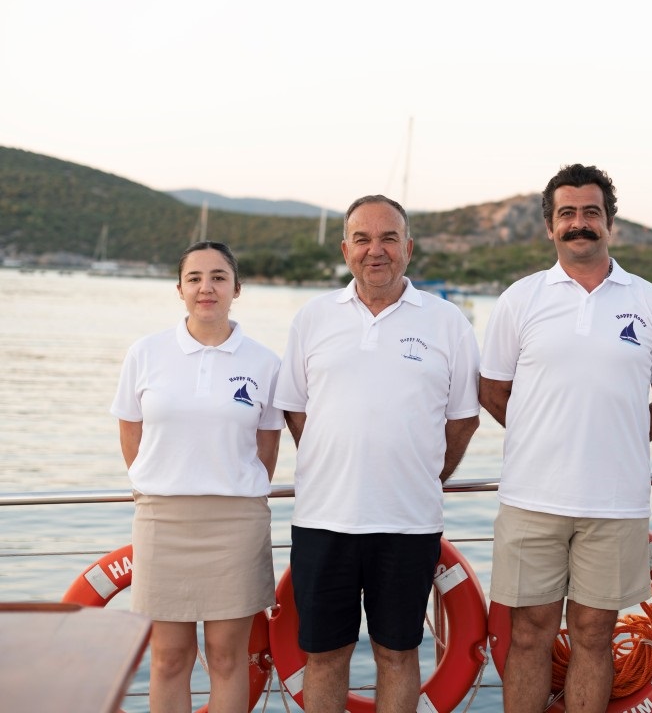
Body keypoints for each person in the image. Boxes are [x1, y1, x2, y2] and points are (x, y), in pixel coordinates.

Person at [478, 164, 652, 713]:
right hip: (531, 499)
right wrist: (546, 435)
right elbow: (493, 390)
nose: (579, 223)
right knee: (529, 635)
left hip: (614, 504)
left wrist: (613, 442)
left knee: (595, 636)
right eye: (567, 214)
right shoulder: (519, 300)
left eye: (591, 212)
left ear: (609, 223)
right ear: (550, 226)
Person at [273, 195, 480, 713]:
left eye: (389, 238)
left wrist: (424, 475)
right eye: (362, 239)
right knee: (324, 656)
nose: (376, 250)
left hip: (408, 522)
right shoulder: (312, 318)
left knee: (397, 654)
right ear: (345, 250)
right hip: (323, 519)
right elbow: (295, 409)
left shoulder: (447, 322)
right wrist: (334, 461)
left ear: (408, 247)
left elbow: (463, 418)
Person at [111, 240, 283, 713]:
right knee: (168, 658)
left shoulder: (265, 363)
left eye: (218, 277)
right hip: (163, 521)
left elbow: (267, 447)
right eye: (194, 278)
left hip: (236, 523)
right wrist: (156, 482)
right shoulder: (146, 353)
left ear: (236, 289)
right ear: (180, 289)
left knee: (227, 658)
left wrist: (233, 485)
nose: (206, 287)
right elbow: (130, 430)